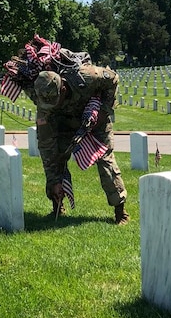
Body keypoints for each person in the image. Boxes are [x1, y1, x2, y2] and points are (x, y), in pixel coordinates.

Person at [32, 65, 129, 225]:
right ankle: (57, 205)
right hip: (64, 123)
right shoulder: (44, 105)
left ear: (63, 88)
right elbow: (46, 146)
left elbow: (113, 78)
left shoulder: (87, 76)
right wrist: (54, 181)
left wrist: (104, 110)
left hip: (96, 118)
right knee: (56, 159)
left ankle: (120, 211)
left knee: (105, 162)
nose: (53, 104)